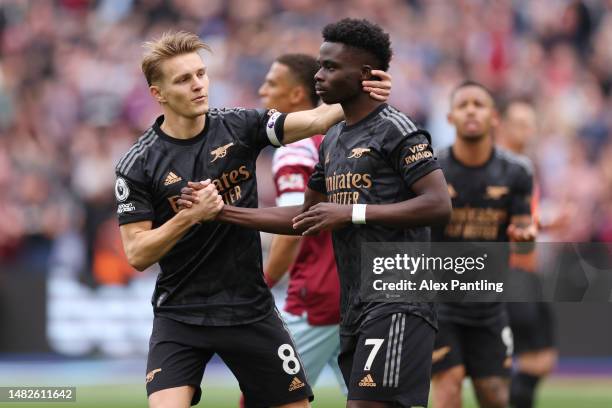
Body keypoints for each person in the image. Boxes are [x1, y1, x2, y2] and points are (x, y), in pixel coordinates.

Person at [181, 18, 451, 408]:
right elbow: (304, 217)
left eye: (330, 67)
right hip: (354, 305)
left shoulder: (397, 129)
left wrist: (352, 214)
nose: (319, 76)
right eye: (320, 66)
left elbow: (439, 205)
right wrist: (223, 213)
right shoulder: (334, 139)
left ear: (363, 75)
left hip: (398, 299)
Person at [114, 31, 391, 408]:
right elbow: (137, 253)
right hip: (180, 316)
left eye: (200, 73)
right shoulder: (138, 164)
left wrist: (364, 92)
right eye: (183, 79)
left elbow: (316, 119)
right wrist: (189, 217)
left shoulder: (239, 125)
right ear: (158, 94)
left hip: (250, 309)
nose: (198, 85)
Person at [430, 81, 537, 408]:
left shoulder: (517, 172)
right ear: (450, 118)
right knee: (448, 384)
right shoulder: (432, 170)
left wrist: (524, 238)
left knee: (494, 395)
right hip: (440, 304)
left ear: (494, 118)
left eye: (479, 103)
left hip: (489, 305)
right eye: (463, 105)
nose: (471, 110)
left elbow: (522, 245)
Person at [258, 54, 346, 392]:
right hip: (355, 288)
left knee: (266, 395)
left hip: (317, 294)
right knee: (370, 398)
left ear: (296, 95)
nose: (262, 91)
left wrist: (263, 283)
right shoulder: (338, 138)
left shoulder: (294, 149)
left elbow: (293, 227)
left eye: (271, 84)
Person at [498, 100, 557, 408]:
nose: (527, 130)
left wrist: (544, 221)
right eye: (520, 123)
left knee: (544, 358)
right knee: (524, 357)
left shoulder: (524, 165)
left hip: (529, 271)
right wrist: (545, 222)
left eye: (530, 123)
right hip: (510, 272)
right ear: (503, 125)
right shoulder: (500, 167)